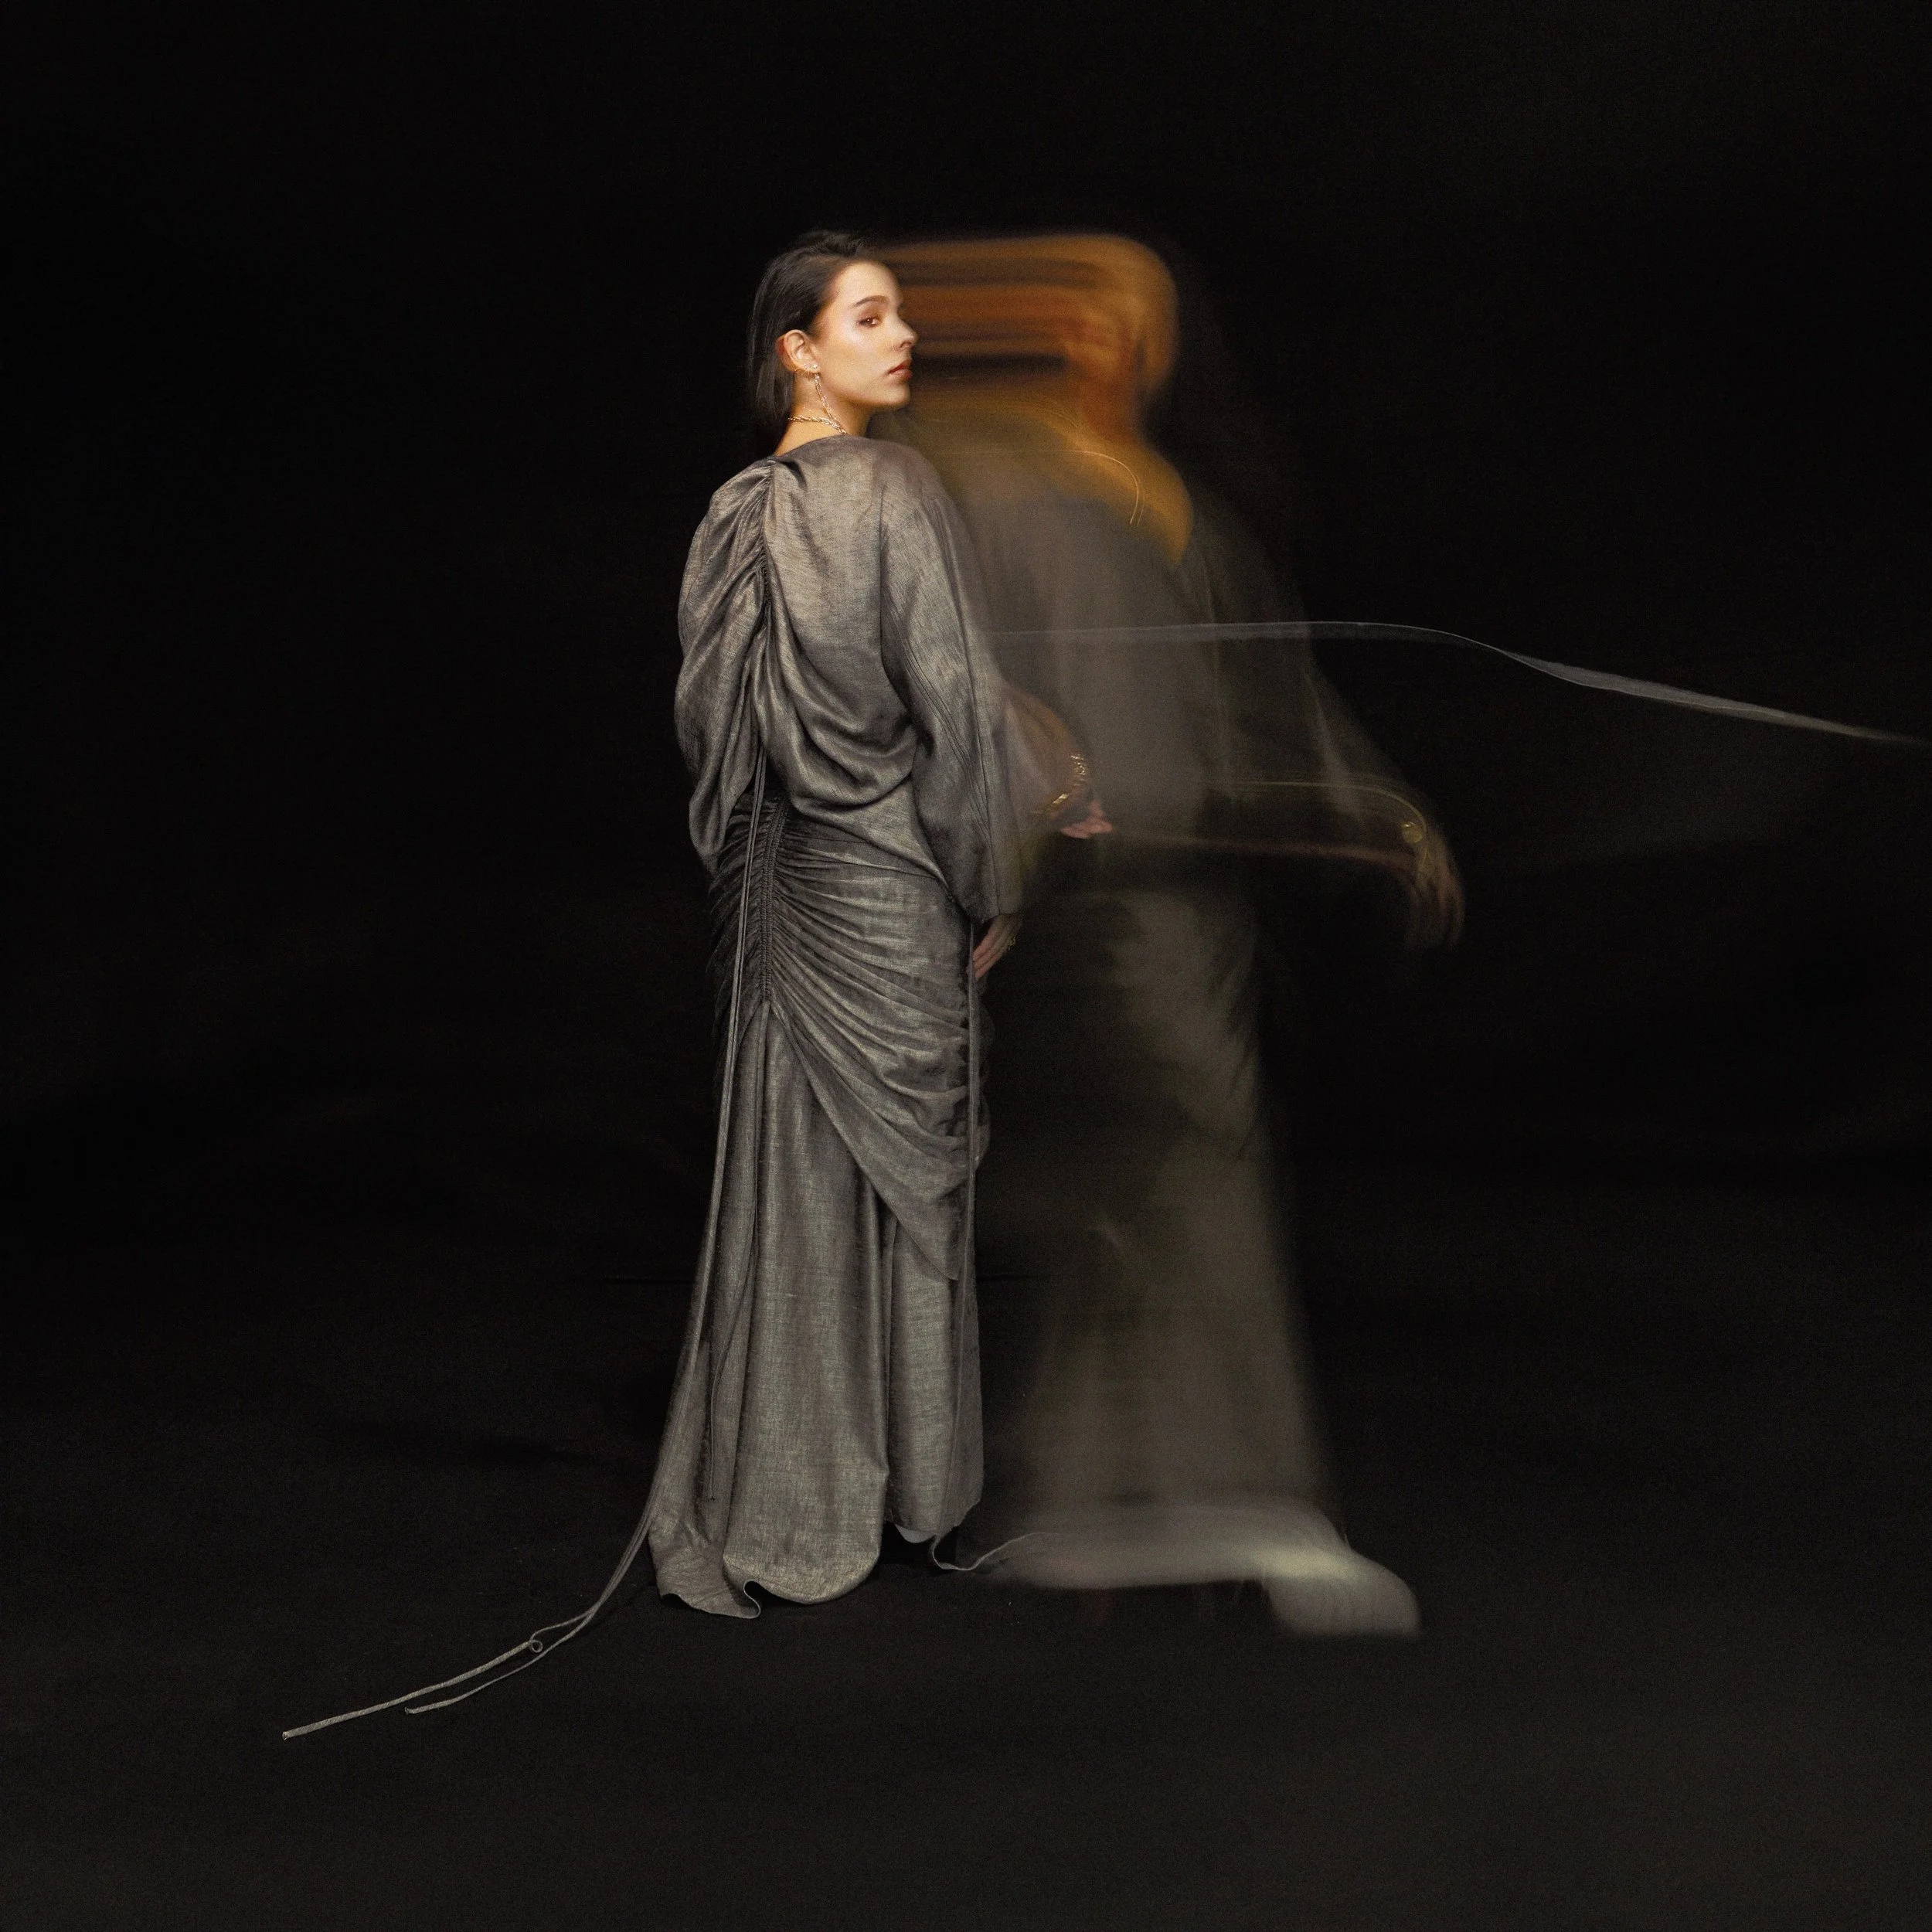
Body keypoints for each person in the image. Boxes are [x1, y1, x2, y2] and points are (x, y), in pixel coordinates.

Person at [879, 234, 1451, 1629]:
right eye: (1081, 312)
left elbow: (1267, 695)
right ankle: (1142, 1503)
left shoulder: (1175, 505)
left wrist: (1370, 805)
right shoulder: (971, 486)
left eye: (1130, 317)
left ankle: (1129, 1506)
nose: (1107, 338)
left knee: (1164, 1182)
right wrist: (1004, 763)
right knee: (1137, 1171)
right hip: (1056, 900)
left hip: (1185, 904)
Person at [642, 231, 1107, 1619]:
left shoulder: (735, 516)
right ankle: (906, 1491)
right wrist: (1000, 872)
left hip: (784, 898)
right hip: (889, 892)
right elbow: (951, 702)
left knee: (787, 1187)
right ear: (800, 351)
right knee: (902, 1201)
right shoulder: (895, 488)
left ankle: (783, 1491)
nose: (903, 337)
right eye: (869, 318)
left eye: (898, 314)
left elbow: (718, 745)